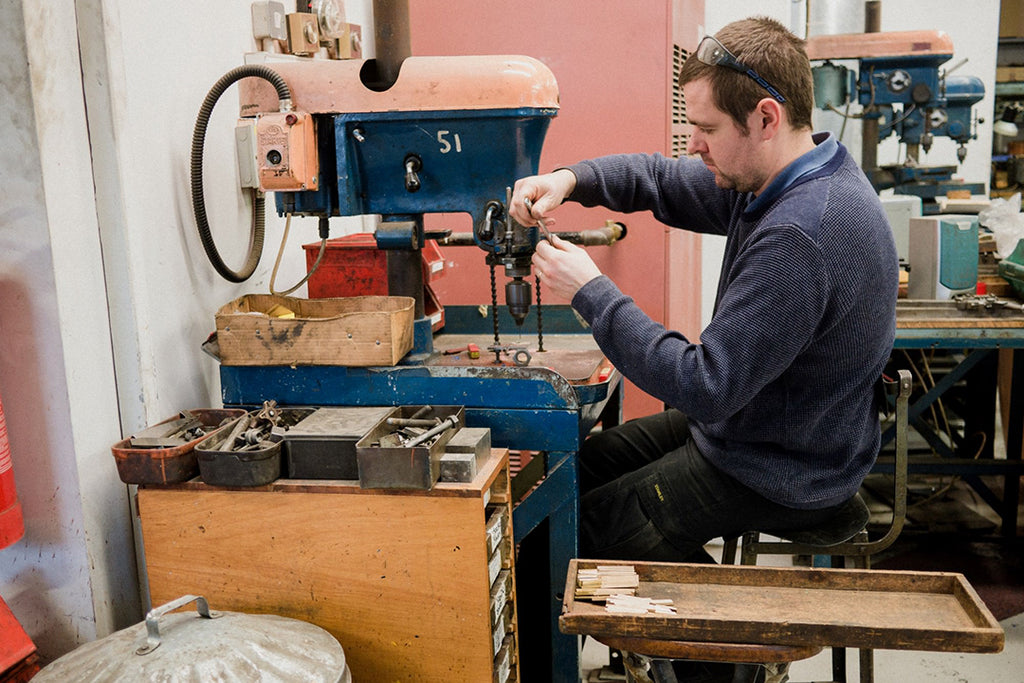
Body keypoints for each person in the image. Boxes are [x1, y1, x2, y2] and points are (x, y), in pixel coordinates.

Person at [510, 16, 898, 568]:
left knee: (555, 547)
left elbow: (704, 384)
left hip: (782, 466)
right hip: (758, 429)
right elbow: (657, 178)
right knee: (581, 469)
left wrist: (591, 291)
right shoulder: (785, 174)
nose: (694, 145)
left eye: (708, 129)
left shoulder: (802, 232)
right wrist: (569, 180)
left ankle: (726, 656)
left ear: (765, 118)